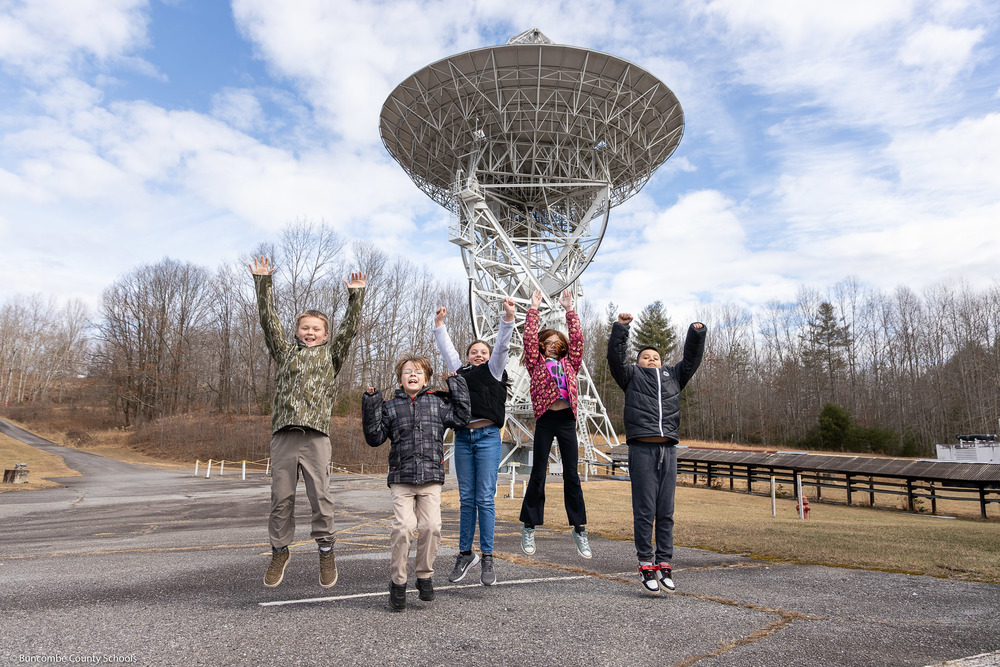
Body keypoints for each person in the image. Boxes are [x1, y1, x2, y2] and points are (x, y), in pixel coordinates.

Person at [250, 256, 366, 589]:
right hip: (284, 436)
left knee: (321, 498)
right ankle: (279, 550)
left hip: (316, 437)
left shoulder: (332, 354)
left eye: (316, 329)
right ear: (297, 332)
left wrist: (355, 295)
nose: (310, 332)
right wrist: (263, 283)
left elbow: (350, 329)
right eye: (305, 328)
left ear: (325, 334)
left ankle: (326, 550)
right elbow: (267, 321)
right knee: (281, 498)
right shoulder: (285, 352)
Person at [607, 313, 706, 595]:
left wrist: (696, 334)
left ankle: (664, 564)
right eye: (646, 357)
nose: (652, 360)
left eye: (656, 357)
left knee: (666, 512)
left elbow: (691, 361)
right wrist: (621, 329)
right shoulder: (631, 375)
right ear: (638, 362)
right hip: (642, 449)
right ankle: (645, 564)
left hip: (668, 450)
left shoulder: (673, 376)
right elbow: (615, 357)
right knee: (645, 510)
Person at [362, 355, 471, 612]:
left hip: (431, 477)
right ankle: (398, 583)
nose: (413, 375)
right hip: (402, 477)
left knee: (431, 526)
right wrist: (371, 403)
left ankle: (424, 576)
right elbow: (375, 437)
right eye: (407, 372)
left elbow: (462, 417)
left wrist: (457, 385)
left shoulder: (437, 402)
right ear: (400, 378)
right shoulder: (390, 406)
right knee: (404, 528)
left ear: (426, 378)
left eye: (418, 372)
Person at [433, 297, 516, 586]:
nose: (478, 354)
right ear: (468, 356)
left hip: (488, 437)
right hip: (463, 438)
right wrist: (440, 326)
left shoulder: (493, 370)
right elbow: (448, 352)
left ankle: (489, 556)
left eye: (483, 351)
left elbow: (503, 345)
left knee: (484, 498)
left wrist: (508, 318)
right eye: (474, 351)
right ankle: (465, 553)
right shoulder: (460, 373)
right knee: (466, 498)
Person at [518, 288, 591, 559]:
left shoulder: (571, 364)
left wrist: (569, 309)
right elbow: (528, 338)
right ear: (540, 345)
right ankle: (529, 525)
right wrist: (534, 309)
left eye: (556, 341)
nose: (552, 343)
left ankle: (579, 528)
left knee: (572, 475)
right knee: (539, 473)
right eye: (546, 341)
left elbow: (578, 340)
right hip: (546, 419)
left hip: (566, 420)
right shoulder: (535, 364)